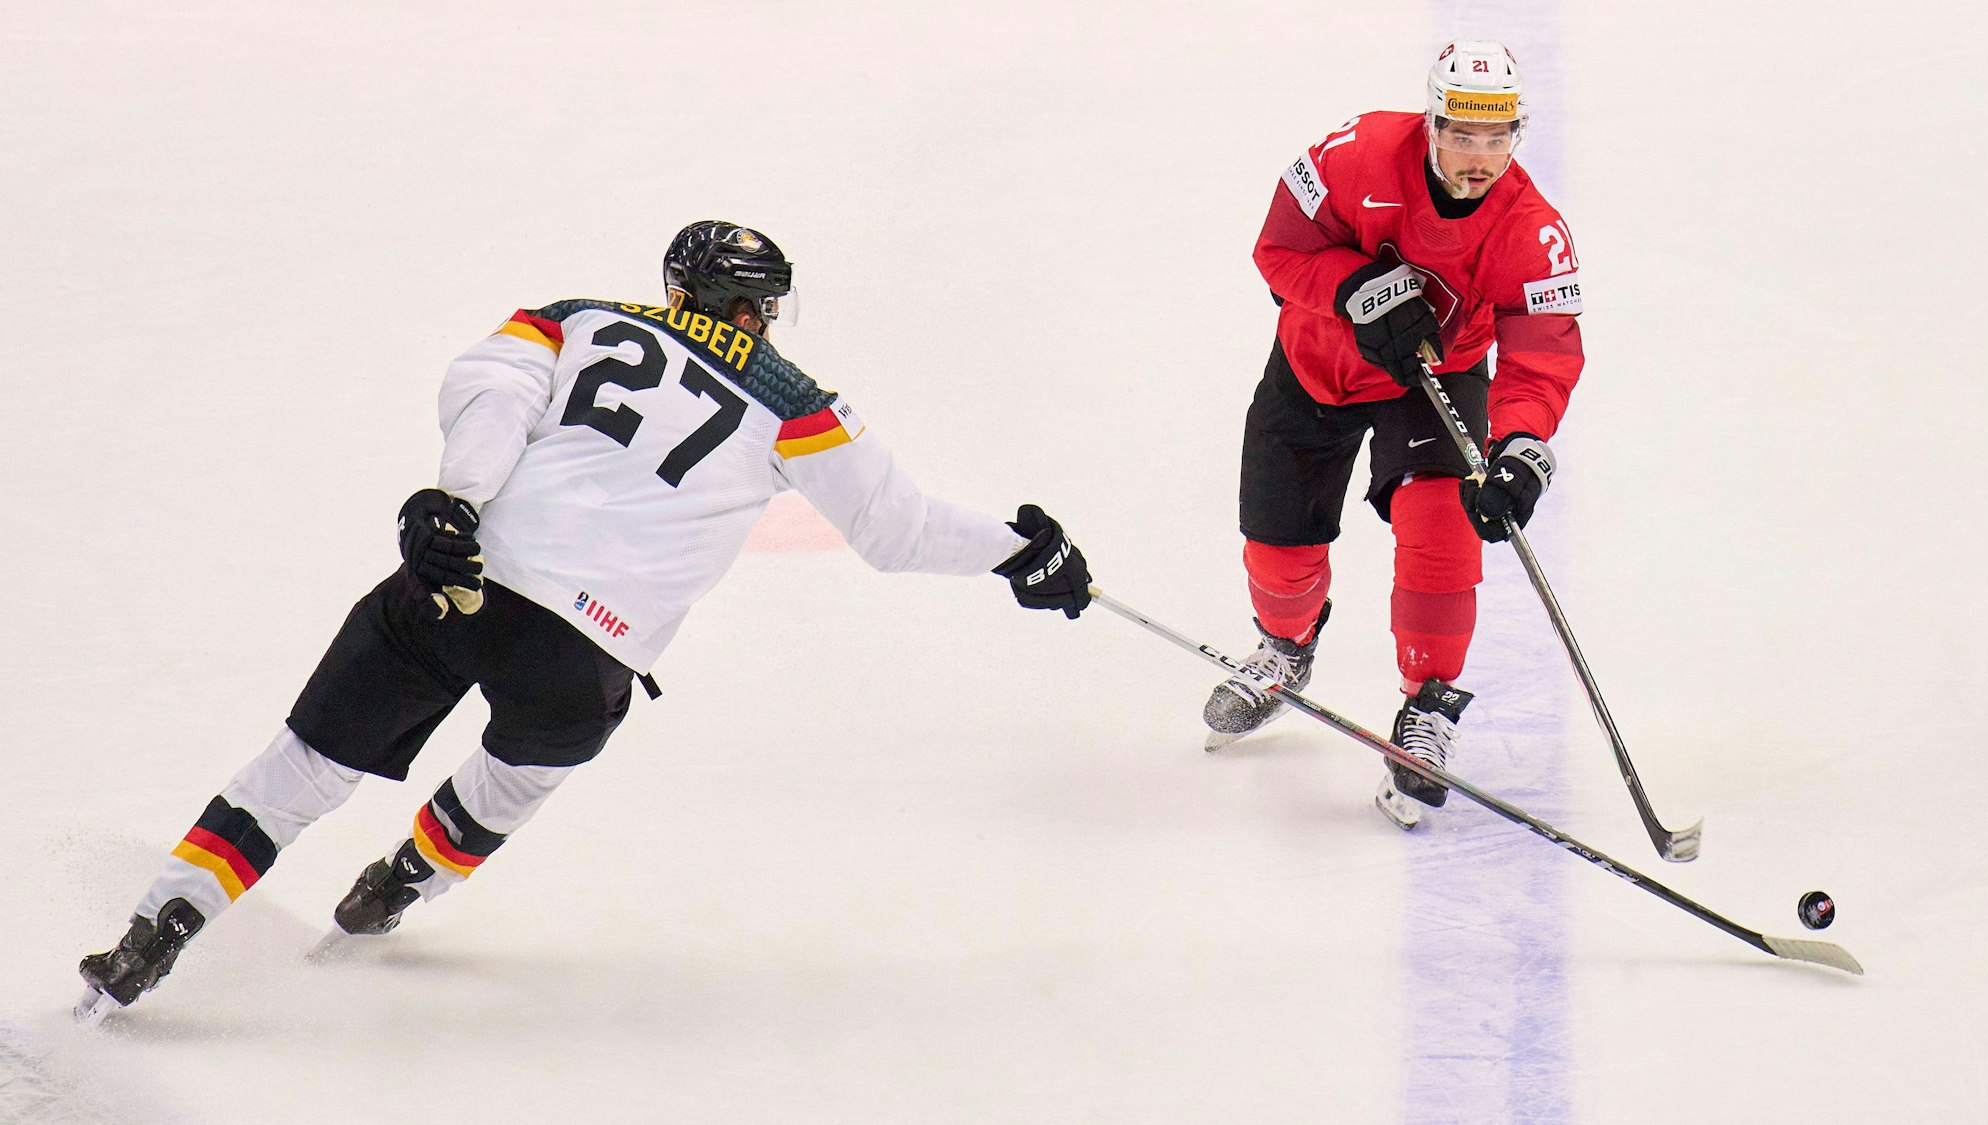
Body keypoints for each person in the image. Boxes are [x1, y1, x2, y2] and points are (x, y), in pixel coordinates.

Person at [76, 220, 1093, 1019]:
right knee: (525, 767)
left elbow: (487, 392)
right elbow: (894, 528)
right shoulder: (791, 398)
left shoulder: (573, 316)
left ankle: (164, 921)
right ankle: (405, 880)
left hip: (463, 578)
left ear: (675, 288)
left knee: (302, 768)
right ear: (761, 310)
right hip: (589, 646)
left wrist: (454, 503)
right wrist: (1018, 550)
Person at [1200, 41, 1583, 829]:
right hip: (1314, 364)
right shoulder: (1354, 152)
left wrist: (1519, 449)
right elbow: (1276, 249)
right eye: (1462, 137)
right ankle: (1286, 648)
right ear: (1432, 122)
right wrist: (1351, 285)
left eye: (1498, 138)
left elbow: (1543, 353)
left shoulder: (1533, 229)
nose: (1479, 159)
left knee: (1445, 533)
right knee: (1277, 550)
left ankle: (1428, 701)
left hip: (1436, 379)